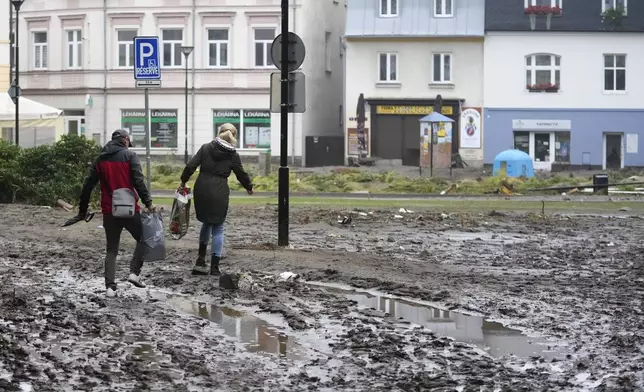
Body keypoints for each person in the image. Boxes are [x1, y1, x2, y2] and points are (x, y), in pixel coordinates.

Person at [76, 129, 156, 297]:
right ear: (125, 140)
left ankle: (110, 288)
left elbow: (87, 186)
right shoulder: (130, 156)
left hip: (109, 210)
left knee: (111, 249)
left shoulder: (100, 159)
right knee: (145, 238)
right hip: (129, 210)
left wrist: (82, 210)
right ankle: (134, 273)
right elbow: (138, 182)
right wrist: (148, 203)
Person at [180, 124, 253, 276]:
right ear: (234, 136)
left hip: (201, 188)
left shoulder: (206, 148)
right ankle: (214, 267)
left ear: (219, 133)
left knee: (206, 222)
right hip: (219, 190)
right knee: (218, 227)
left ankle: (200, 260)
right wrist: (248, 186)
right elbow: (241, 173)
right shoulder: (233, 154)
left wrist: (183, 180)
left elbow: (191, 165)